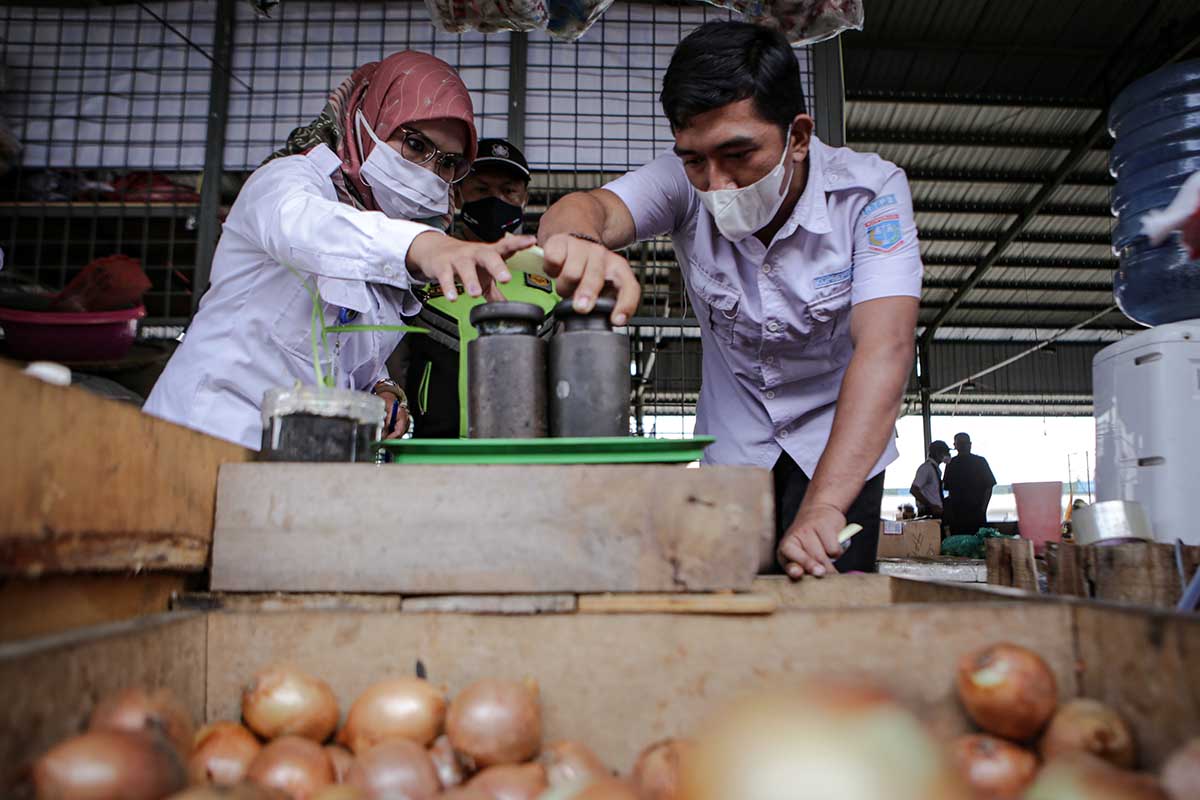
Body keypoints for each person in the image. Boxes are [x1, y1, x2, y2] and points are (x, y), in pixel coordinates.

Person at [537, 21, 921, 579]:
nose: (716, 184)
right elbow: (587, 207)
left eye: (739, 153)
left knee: (827, 614)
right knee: (729, 615)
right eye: (695, 160)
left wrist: (825, 506)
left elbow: (885, 349)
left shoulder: (870, 194)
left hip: (840, 447)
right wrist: (577, 242)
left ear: (799, 136)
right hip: (736, 450)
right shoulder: (681, 182)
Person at [143, 52, 535, 449]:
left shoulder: (387, 234)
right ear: (367, 123)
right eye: (415, 144)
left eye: (449, 163)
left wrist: (381, 387)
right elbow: (306, 227)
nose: (428, 172)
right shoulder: (289, 181)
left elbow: (337, 340)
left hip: (295, 460)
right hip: (203, 437)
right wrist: (422, 245)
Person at [388, 138, 559, 438]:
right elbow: (392, 355)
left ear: (524, 198)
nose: (496, 200)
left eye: (508, 191)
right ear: (457, 192)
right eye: (481, 189)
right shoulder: (426, 263)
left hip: (532, 450)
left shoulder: (549, 271)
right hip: (440, 447)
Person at [943, 432, 997, 535]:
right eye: (961, 443)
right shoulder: (952, 464)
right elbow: (989, 486)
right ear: (955, 445)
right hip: (958, 513)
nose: (963, 446)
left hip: (974, 512)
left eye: (964, 443)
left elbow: (989, 487)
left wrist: (983, 509)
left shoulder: (979, 462)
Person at [910, 440, 950, 518]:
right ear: (938, 453)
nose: (948, 455)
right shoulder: (926, 468)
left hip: (937, 511)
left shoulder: (935, 469)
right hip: (929, 512)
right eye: (945, 452)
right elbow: (914, 490)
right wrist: (931, 506)